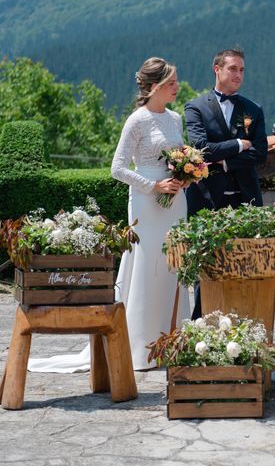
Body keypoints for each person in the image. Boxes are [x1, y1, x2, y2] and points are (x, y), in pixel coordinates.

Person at [28, 57, 190, 372]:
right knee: (146, 267)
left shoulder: (175, 118)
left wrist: (184, 175)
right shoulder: (137, 121)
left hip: (176, 202)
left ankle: (173, 343)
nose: (177, 87)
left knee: (174, 265)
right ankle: (140, 347)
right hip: (146, 203)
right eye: (171, 82)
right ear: (155, 86)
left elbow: (180, 155)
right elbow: (116, 168)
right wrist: (153, 184)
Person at [185, 47, 268, 319]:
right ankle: (201, 325)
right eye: (233, 68)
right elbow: (201, 148)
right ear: (217, 69)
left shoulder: (253, 109)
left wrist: (225, 161)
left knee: (247, 264)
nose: (238, 75)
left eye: (242, 70)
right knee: (207, 265)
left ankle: (246, 324)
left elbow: (260, 153)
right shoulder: (196, 107)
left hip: (246, 199)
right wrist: (237, 144)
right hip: (208, 199)